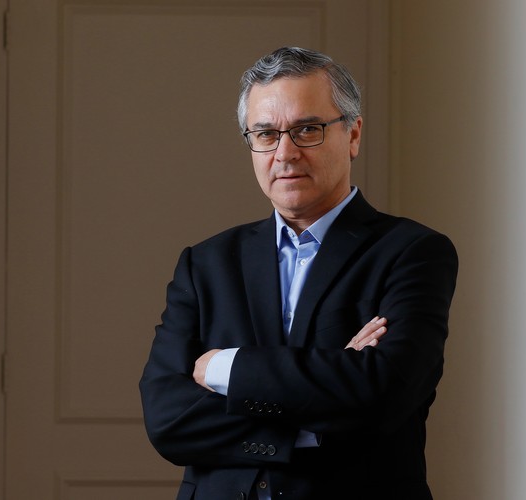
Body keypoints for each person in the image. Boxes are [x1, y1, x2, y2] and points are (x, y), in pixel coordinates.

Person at [139, 46, 458, 500]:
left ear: (353, 135)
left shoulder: (413, 252)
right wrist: (328, 395)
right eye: (266, 134)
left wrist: (226, 367)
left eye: (308, 129)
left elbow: (384, 394)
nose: (285, 153)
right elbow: (168, 419)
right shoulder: (206, 263)